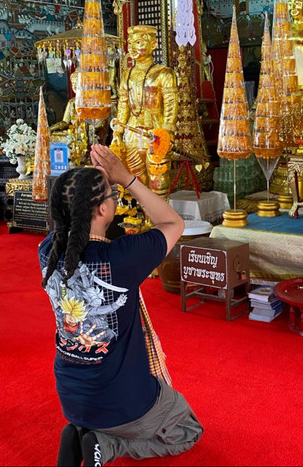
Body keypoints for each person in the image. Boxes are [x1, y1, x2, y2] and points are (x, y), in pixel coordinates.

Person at [38, 145, 202, 466]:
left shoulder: (47, 252)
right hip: (123, 400)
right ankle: (106, 445)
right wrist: (126, 178)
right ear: (103, 209)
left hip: (71, 397)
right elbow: (173, 223)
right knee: (188, 430)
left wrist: (94, 183)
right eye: (112, 196)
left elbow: (74, 224)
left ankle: (80, 433)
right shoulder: (121, 258)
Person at [112, 25, 178, 201]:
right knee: (136, 182)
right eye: (130, 43)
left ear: (154, 45)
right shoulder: (127, 74)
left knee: (158, 182)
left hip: (156, 134)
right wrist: (118, 131)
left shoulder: (164, 73)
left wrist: (168, 133)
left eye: (139, 43)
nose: (132, 48)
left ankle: (159, 216)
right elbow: (123, 104)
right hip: (132, 135)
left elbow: (171, 105)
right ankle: (142, 215)